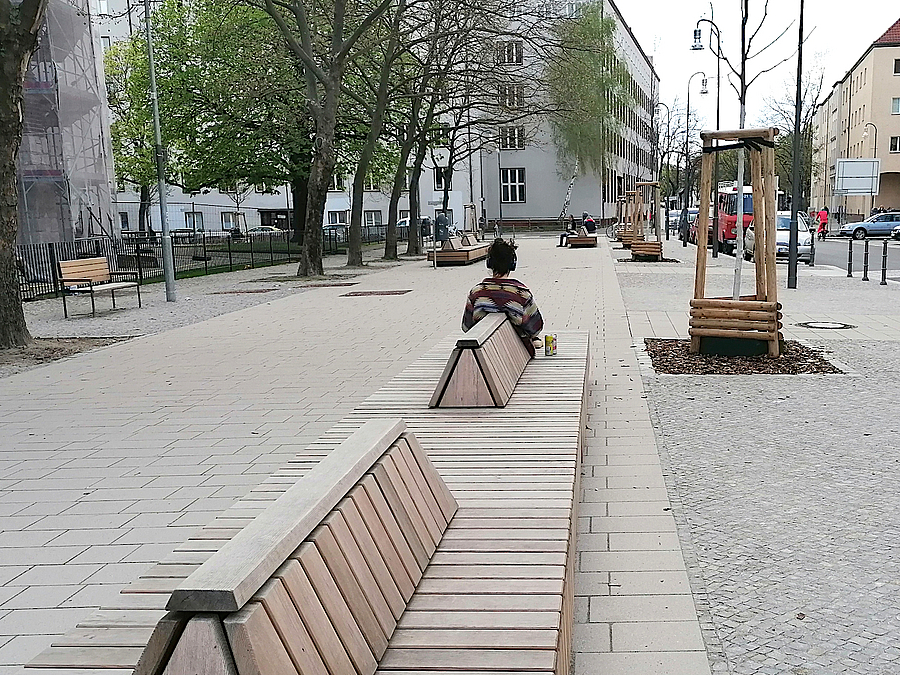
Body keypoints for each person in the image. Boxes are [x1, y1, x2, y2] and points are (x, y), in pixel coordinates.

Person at [462, 238, 544, 357]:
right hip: (517, 354)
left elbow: (466, 327)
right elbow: (535, 328)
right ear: (513, 264)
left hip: (484, 355)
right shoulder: (521, 293)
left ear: (489, 264)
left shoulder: (476, 293)